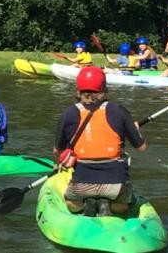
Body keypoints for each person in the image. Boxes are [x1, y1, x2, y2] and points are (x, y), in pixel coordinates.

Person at [54, 66, 146, 216]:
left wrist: (56, 165)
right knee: (122, 207)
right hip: (116, 185)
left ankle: (86, 203)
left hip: (82, 184)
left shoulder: (69, 113)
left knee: (72, 204)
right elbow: (141, 147)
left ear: (78, 89)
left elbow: (57, 150)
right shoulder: (119, 110)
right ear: (103, 88)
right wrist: (135, 129)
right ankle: (108, 205)